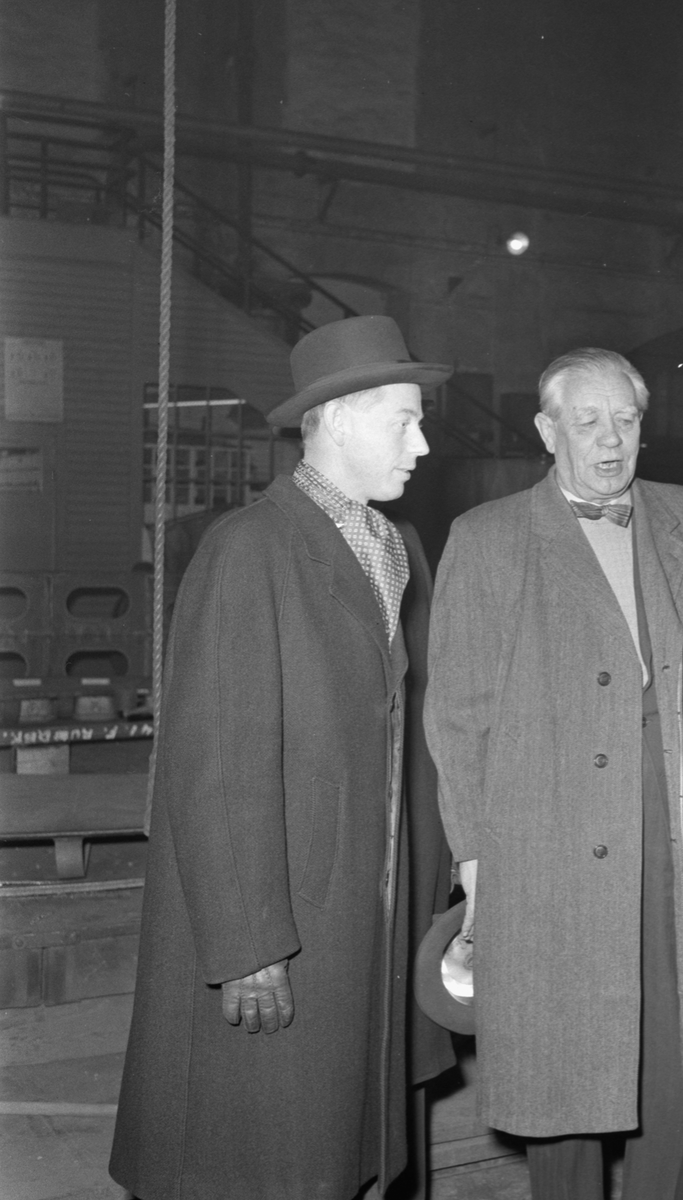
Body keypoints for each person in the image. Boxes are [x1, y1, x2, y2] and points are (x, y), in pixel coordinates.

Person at [109, 315, 452, 1200]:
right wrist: (247, 945)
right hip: (284, 914)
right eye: (403, 421)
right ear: (335, 418)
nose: (421, 445)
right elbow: (215, 763)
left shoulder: (393, 545)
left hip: (363, 908)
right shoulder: (249, 548)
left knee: (333, 1150)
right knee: (261, 1156)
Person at [424, 347, 683, 1200]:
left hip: (679, 817)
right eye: (587, 422)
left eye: (626, 419)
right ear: (547, 431)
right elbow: (457, 716)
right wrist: (477, 859)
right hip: (547, 836)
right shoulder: (488, 537)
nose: (610, 440)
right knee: (560, 1067)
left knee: (673, 1055)